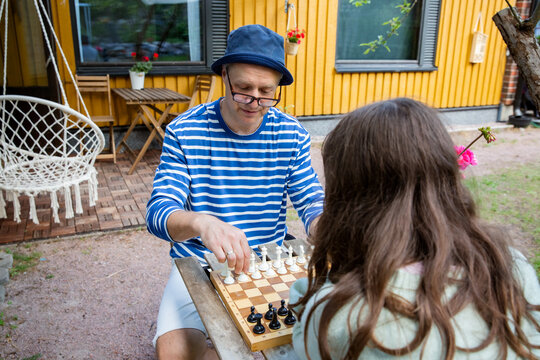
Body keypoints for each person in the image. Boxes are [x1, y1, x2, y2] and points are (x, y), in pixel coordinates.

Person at [289, 98, 540, 359]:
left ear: (347, 198)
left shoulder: (337, 312)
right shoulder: (514, 268)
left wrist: (308, 298)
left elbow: (305, 343)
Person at [146, 24, 324, 359]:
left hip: (270, 262)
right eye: (243, 88)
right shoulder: (185, 130)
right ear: (224, 76)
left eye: (266, 91)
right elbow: (158, 213)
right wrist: (203, 223)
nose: (254, 102)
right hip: (197, 264)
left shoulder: (292, 134)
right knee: (174, 354)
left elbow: (312, 199)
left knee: (318, 343)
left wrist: (323, 224)